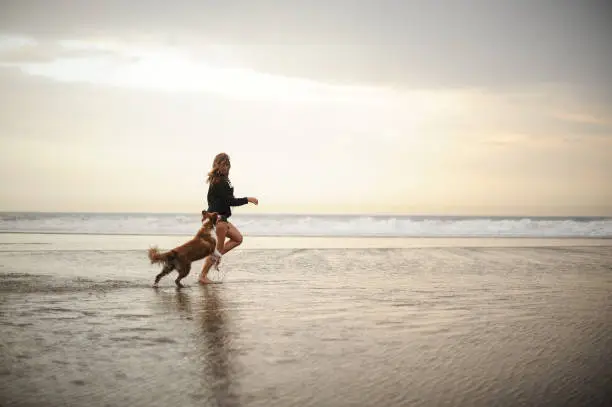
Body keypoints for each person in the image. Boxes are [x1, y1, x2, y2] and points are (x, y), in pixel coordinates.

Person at [199, 152, 258, 284]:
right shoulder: (219, 181)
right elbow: (230, 201)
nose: (225, 167)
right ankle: (203, 275)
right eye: (222, 165)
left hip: (221, 217)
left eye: (227, 165)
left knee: (238, 238)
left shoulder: (222, 180)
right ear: (217, 165)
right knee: (218, 250)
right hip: (218, 219)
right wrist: (248, 199)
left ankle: (216, 257)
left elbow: (213, 200)